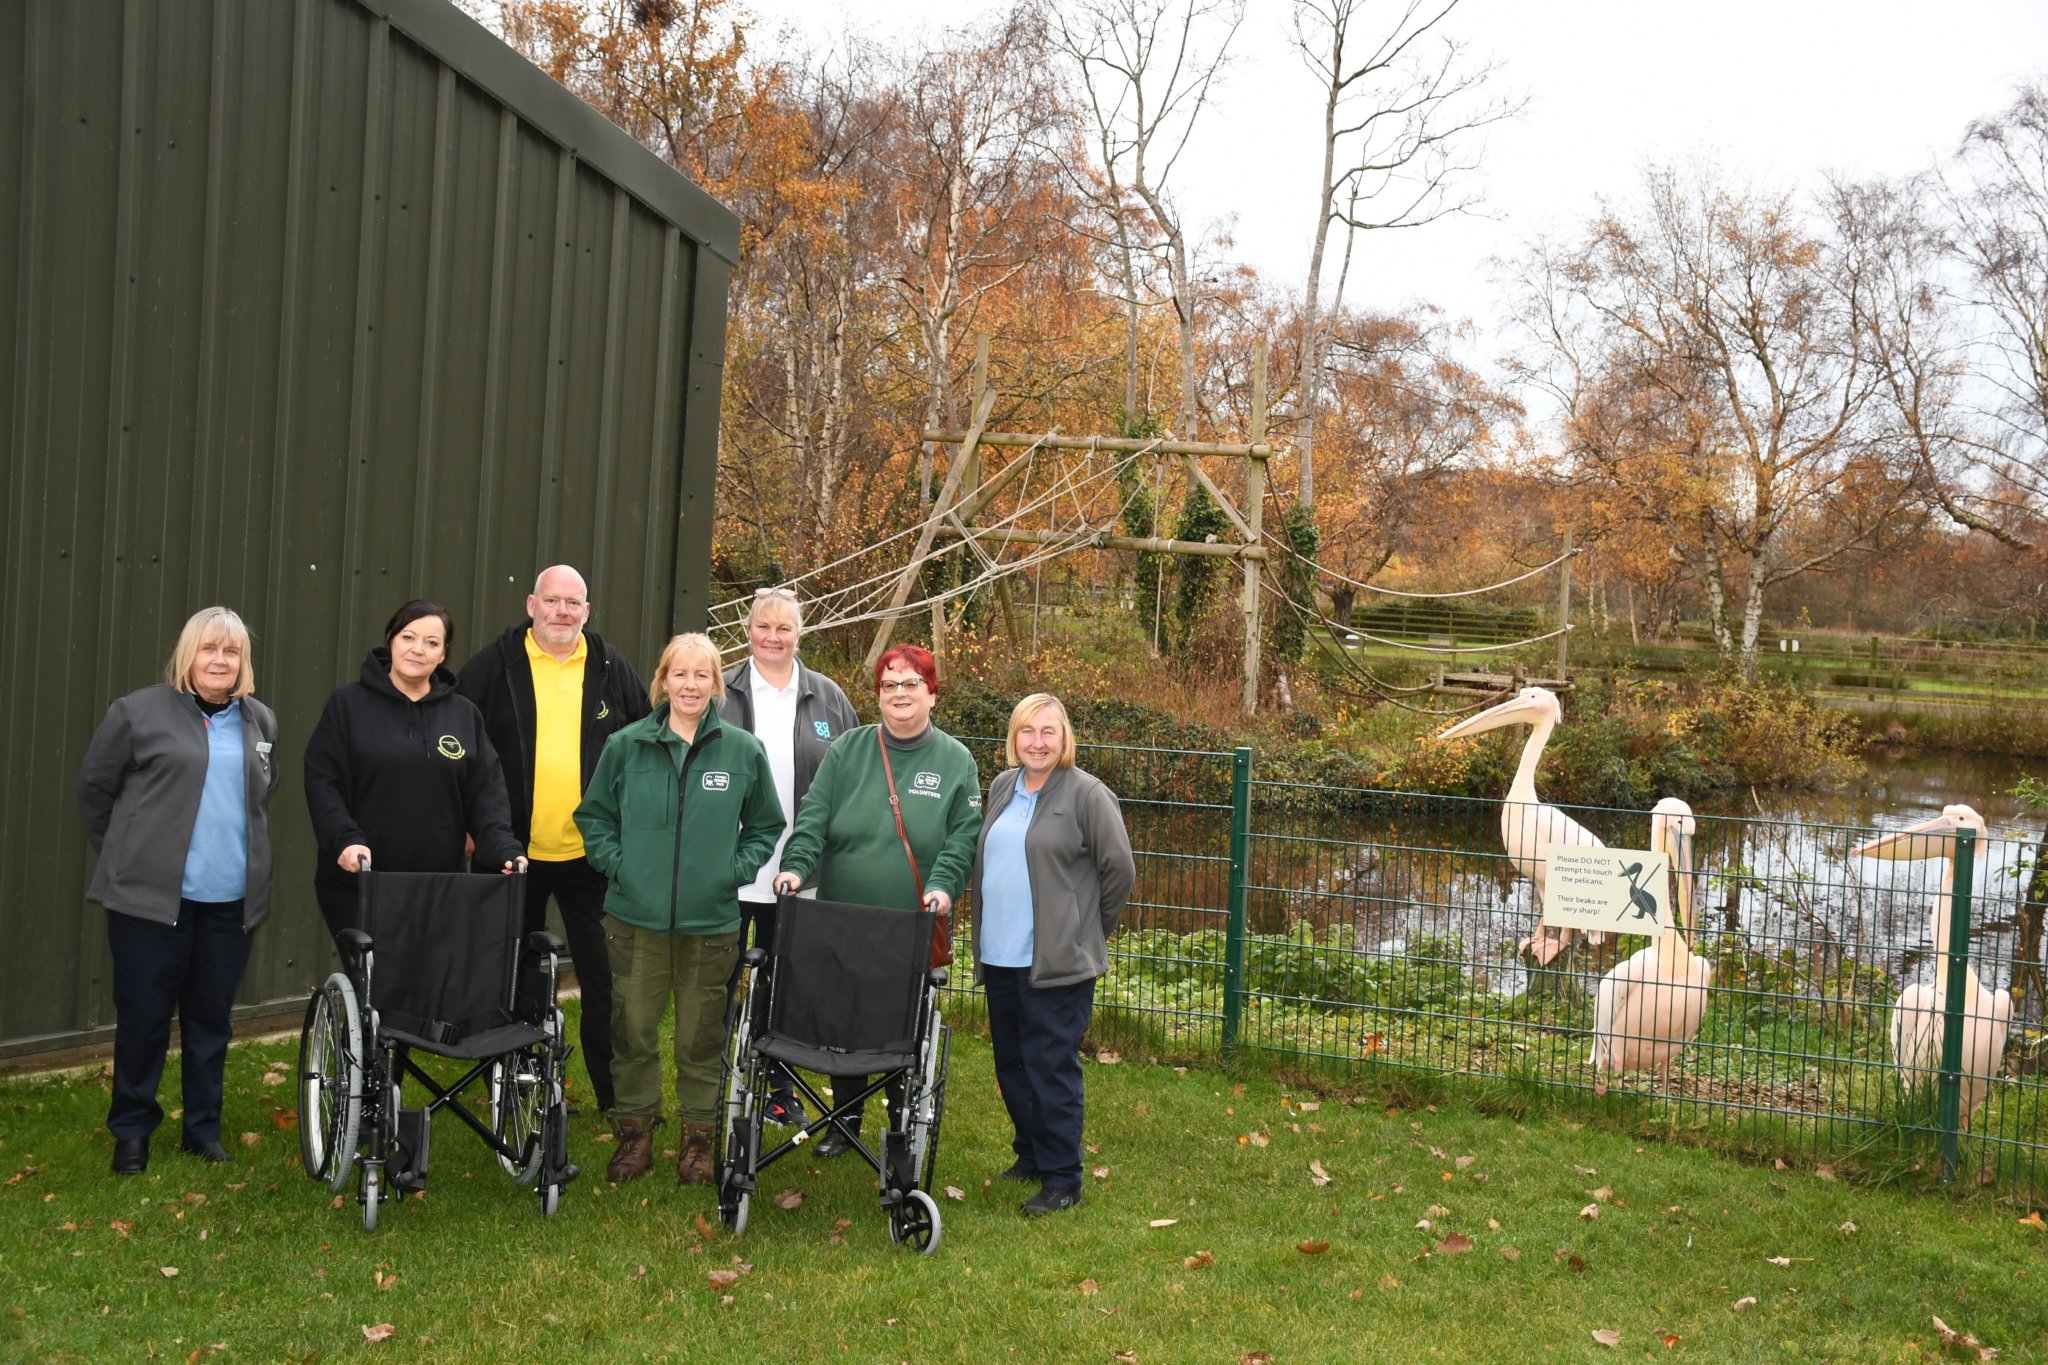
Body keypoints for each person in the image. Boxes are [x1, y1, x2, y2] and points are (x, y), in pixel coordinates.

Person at [76, 607, 281, 1175]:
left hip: (230, 904)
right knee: (143, 1020)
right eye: (209, 649)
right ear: (187, 655)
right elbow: (96, 790)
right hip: (150, 904)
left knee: (210, 1022)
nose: (220, 661)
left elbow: (263, 795)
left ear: (244, 662)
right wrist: (129, 855)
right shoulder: (137, 713)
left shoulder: (260, 721)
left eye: (232, 651)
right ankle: (133, 1132)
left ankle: (202, 1131)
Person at [575, 633, 784, 1186]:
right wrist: (621, 865)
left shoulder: (743, 750)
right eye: (679, 674)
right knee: (634, 1031)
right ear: (662, 681)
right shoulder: (626, 746)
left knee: (700, 1036)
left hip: (710, 923)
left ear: (716, 685)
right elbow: (593, 818)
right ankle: (635, 1134)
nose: (690, 685)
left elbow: (766, 824)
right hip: (634, 921)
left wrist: (732, 871)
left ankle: (697, 1139)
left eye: (702, 675)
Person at [773, 644, 982, 1158]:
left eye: (911, 684)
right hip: (844, 917)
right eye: (889, 685)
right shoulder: (848, 749)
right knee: (843, 1024)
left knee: (898, 1028)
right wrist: (796, 866)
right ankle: (843, 1125)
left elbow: (962, 838)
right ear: (879, 696)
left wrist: (943, 885)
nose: (899, 694)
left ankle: (899, 1129)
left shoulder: (956, 761)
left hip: (910, 923)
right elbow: (813, 816)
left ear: (932, 693)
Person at [456, 565, 646, 1115]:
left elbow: (648, 743)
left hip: (592, 857)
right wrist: (470, 823)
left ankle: (613, 1096)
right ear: (531, 605)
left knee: (604, 980)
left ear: (587, 611)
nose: (563, 611)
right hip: (510, 852)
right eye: (553, 600)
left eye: (574, 603)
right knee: (509, 971)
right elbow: (456, 745)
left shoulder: (610, 668)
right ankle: (514, 1084)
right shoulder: (493, 667)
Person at [970, 694, 1135, 1216]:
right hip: (1001, 955)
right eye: (1027, 732)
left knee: (1050, 1067)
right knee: (1012, 1063)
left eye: (1047, 732)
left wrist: (1085, 932)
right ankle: (1032, 1155)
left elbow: (1120, 872)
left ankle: (1063, 1178)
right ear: (1013, 739)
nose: (1037, 742)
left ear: (1064, 738)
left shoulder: (1087, 794)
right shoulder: (1002, 787)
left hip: (1057, 964)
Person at [715, 587, 860, 1127]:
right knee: (719, 983)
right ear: (747, 630)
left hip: (800, 873)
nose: (773, 637)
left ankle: (780, 1089)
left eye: (784, 628)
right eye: (763, 627)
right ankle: (715, 1086)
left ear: (800, 634)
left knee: (787, 987)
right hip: (729, 871)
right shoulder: (719, 689)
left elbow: (851, 774)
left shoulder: (828, 698)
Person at [303, 600, 524, 942]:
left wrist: (502, 847)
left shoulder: (463, 714)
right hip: (363, 881)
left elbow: (487, 792)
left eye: (432, 643)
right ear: (391, 639)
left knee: (433, 986)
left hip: (439, 885)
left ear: (443, 654)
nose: (418, 649)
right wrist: (345, 840)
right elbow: (323, 783)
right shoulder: (347, 706)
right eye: (408, 637)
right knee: (380, 987)